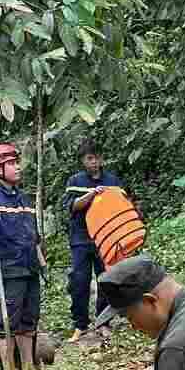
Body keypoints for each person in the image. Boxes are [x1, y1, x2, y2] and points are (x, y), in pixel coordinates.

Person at [0, 142, 47, 370]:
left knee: (29, 318)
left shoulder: (23, 198)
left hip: (30, 267)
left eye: (17, 163)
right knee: (8, 319)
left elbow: (33, 235)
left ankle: (27, 367)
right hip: (9, 268)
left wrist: (42, 263)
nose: (18, 168)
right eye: (12, 164)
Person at [62, 136, 125, 342]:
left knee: (106, 280)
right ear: (83, 160)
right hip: (80, 239)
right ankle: (80, 325)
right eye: (89, 158)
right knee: (79, 282)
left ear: (102, 159)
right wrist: (90, 196)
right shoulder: (75, 181)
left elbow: (121, 206)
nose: (93, 162)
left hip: (105, 238)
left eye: (96, 158)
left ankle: (103, 322)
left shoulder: (112, 180)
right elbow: (72, 206)